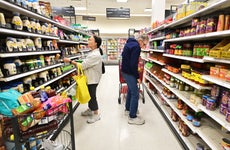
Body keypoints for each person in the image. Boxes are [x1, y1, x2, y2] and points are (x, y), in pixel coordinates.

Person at [63, 35, 103, 124]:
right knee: (89, 94)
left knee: (92, 96)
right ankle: (90, 109)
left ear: (95, 43)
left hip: (93, 79)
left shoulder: (95, 55)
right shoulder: (92, 52)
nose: (88, 41)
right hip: (89, 77)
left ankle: (96, 114)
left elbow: (83, 65)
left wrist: (70, 61)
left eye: (90, 40)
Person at [121, 34, 149, 125]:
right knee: (135, 93)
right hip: (129, 73)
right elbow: (133, 64)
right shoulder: (136, 47)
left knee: (130, 90)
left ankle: (128, 109)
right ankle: (132, 117)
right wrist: (137, 77)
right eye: (144, 44)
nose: (144, 47)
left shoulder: (129, 44)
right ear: (140, 41)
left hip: (125, 71)